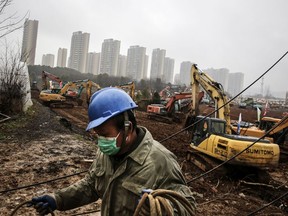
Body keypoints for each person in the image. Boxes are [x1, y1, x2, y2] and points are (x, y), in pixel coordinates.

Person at [32, 87, 196, 215]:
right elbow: (91, 185)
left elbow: (187, 206)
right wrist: (58, 199)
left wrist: (163, 210)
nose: (100, 141)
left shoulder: (161, 161)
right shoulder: (107, 152)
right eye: (96, 134)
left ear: (128, 128)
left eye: (104, 134)